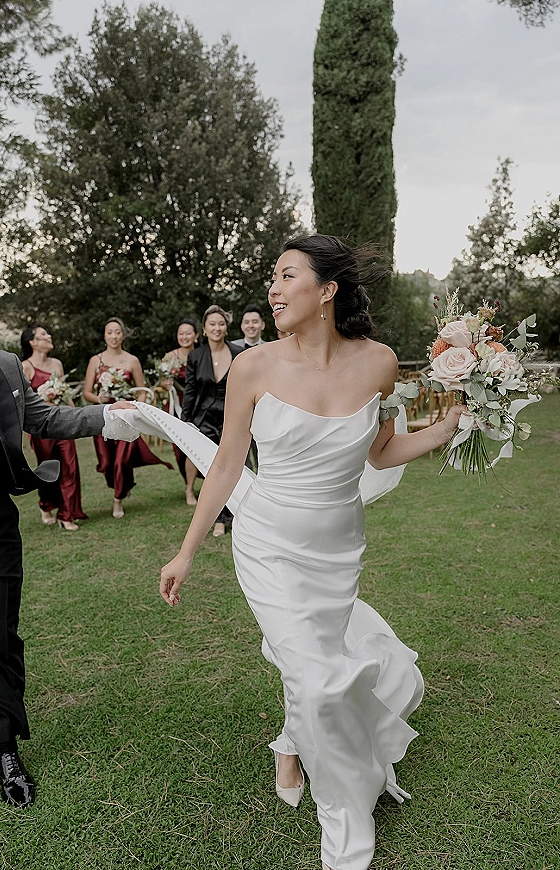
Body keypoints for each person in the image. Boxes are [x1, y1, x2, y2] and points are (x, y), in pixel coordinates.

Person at [159, 235, 464, 870]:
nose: (272, 288)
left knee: (316, 668)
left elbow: (378, 452)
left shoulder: (379, 363)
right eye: (271, 277)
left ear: (325, 291)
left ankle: (291, 742)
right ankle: (345, 825)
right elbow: (224, 467)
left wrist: (441, 432)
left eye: (287, 275)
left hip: (337, 549)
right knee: (322, 681)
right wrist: (187, 551)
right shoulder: (254, 367)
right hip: (267, 544)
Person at [0, 338, 134, 807]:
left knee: (0, 638)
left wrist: (107, 414)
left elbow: (45, 419)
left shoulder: (2, 367)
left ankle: (7, 749)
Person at [83, 317, 172, 518]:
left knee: (121, 461)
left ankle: (117, 500)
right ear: (104, 336)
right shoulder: (95, 361)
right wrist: (99, 397)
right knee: (106, 463)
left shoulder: (132, 360)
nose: (114, 336)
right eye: (109, 332)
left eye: (117, 332)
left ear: (123, 335)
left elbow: (141, 390)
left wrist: (136, 407)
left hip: (126, 418)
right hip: (104, 417)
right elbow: (86, 392)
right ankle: (123, 485)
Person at [181, 305, 243, 536]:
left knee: (235, 467)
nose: (217, 328)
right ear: (204, 330)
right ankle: (219, 519)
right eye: (212, 324)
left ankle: (235, 515)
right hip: (204, 419)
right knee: (211, 471)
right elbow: (190, 391)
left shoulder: (238, 353)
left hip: (232, 419)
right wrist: (185, 420)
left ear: (226, 327)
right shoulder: (195, 356)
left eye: (221, 324)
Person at [20, 324, 86, 531]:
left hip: (63, 422)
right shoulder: (26, 366)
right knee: (47, 468)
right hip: (41, 428)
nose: (48, 336)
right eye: (43, 334)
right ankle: (46, 504)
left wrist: (76, 417)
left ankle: (67, 515)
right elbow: (23, 401)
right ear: (33, 342)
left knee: (70, 467)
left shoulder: (57, 364)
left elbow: (65, 394)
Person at [159, 318, 200, 505]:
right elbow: (159, 386)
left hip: (198, 406)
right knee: (179, 450)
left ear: (196, 336)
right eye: (181, 333)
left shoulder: (201, 354)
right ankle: (188, 482)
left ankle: (190, 488)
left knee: (194, 448)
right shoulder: (170, 357)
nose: (184, 337)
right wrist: (164, 385)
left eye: (188, 333)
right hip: (176, 407)